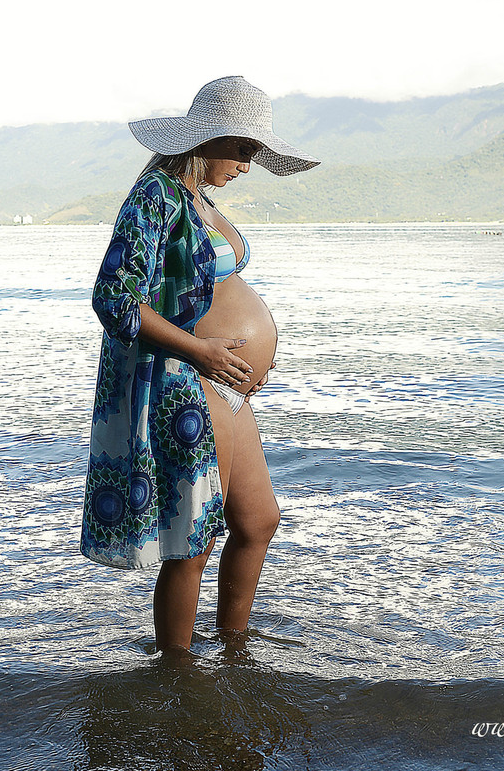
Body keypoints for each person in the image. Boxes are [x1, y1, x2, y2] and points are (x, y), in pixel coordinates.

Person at [81, 76, 319, 655]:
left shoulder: (196, 198)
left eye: (255, 153)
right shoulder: (155, 196)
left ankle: (233, 648)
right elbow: (114, 297)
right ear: (207, 139)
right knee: (193, 542)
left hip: (222, 381)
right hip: (189, 379)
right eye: (242, 149)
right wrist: (201, 351)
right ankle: (177, 671)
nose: (247, 164)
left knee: (258, 522)